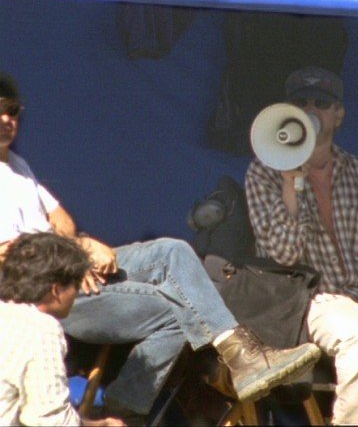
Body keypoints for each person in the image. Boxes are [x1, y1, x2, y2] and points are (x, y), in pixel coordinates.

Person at [0, 72, 321, 424]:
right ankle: (126, 408)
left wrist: (76, 249)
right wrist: (68, 261)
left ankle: (240, 355)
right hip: (37, 293)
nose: (7, 120)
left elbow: (61, 220)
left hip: (66, 268)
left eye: (13, 111)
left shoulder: (17, 165)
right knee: (177, 307)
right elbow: (10, 257)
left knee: (172, 250)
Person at [245, 66, 358, 425]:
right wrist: (292, 184)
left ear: (339, 114)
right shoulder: (262, 172)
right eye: (300, 102)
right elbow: (283, 258)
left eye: (322, 102)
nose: (311, 109)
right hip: (303, 301)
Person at [0, 232, 125, 427]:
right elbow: (50, 419)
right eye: (75, 285)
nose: (76, 293)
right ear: (56, 289)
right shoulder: (41, 330)